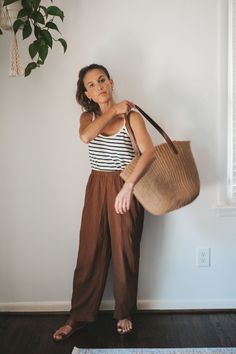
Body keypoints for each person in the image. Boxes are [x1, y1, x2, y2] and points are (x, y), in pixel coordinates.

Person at [52, 63, 155, 341]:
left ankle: (123, 312)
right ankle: (78, 316)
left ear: (111, 82)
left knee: (125, 253)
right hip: (97, 186)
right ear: (86, 92)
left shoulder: (132, 118)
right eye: (91, 85)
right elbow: (86, 137)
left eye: (102, 80)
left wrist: (129, 186)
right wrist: (112, 109)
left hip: (126, 185)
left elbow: (149, 153)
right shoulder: (88, 118)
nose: (99, 87)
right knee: (90, 251)